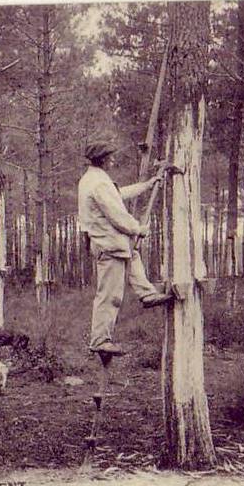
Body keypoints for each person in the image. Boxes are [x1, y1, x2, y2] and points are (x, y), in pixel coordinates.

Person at [77, 139, 172, 355]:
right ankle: (100, 340)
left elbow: (118, 195)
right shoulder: (98, 183)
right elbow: (116, 215)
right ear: (102, 159)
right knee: (109, 295)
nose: (113, 159)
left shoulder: (95, 179)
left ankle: (146, 293)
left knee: (133, 255)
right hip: (107, 243)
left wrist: (147, 185)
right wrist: (138, 228)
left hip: (114, 243)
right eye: (110, 156)